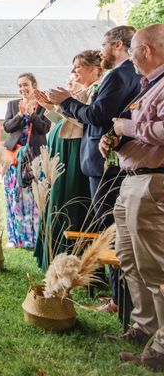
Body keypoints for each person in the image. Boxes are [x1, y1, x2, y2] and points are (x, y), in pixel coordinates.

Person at [48, 25, 141, 312]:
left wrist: (67, 101)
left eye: (105, 45)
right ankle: (117, 296)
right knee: (110, 229)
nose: (102, 52)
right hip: (106, 162)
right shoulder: (131, 74)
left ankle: (120, 300)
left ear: (116, 44)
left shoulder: (120, 75)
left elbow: (97, 114)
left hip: (105, 165)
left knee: (110, 230)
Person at [99, 24, 164, 371]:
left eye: (135, 49)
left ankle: (163, 347)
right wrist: (114, 140)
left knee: (155, 266)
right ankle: (145, 328)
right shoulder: (148, 86)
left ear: (148, 50)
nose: (131, 57)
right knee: (130, 260)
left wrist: (129, 128)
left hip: (154, 184)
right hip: (132, 179)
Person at [33, 50, 102, 269]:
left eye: (77, 67)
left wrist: (62, 105)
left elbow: (87, 122)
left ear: (94, 68)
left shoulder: (95, 90)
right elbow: (66, 122)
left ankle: (74, 259)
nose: (72, 72)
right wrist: (49, 108)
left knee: (72, 201)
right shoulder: (83, 91)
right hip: (64, 146)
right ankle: (53, 255)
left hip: (76, 150)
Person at [2, 73, 51, 249]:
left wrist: (31, 115)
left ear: (34, 86)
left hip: (34, 159)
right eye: (20, 86)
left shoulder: (43, 105)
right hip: (14, 158)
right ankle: (14, 238)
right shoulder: (13, 104)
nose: (22, 89)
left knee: (32, 200)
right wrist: (19, 115)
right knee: (14, 197)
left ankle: (32, 238)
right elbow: (7, 127)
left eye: (26, 85)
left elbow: (44, 128)